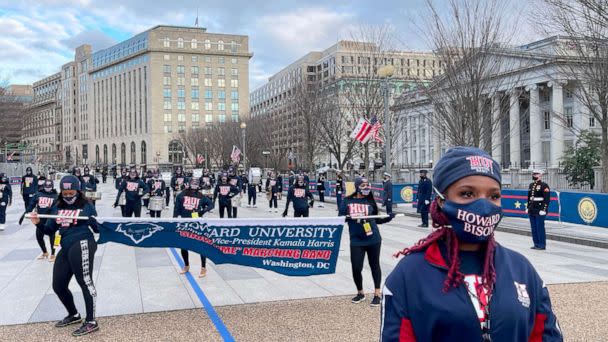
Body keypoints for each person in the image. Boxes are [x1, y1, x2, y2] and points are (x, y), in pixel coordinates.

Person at [380, 147, 562, 341]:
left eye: (494, 196)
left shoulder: (522, 269)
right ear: (442, 200)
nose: (484, 206)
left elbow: (546, 335)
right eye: (467, 194)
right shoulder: (408, 275)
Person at [29, 175, 100, 336]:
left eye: (71, 192)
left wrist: (97, 222)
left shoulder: (87, 205)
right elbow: (49, 230)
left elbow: (97, 229)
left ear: (78, 190)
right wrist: (38, 223)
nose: (68, 195)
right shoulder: (57, 205)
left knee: (85, 282)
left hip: (82, 242)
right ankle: (74, 314)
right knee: (58, 285)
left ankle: (91, 321)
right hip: (65, 245)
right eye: (65, 192)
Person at [339, 177, 394, 306]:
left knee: (374, 265)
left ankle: (377, 294)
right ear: (357, 187)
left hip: (373, 238)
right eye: (363, 185)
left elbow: (377, 219)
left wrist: (388, 218)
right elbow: (341, 219)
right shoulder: (347, 201)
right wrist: (348, 217)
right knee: (356, 267)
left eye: (368, 185)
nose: (366, 188)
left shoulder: (370, 201)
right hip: (356, 239)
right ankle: (360, 293)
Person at [174, 178, 214, 277]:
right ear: (189, 184)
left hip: (196, 223)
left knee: (201, 246)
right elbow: (176, 208)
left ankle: (203, 268)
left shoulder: (200, 196)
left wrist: (202, 211)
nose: (194, 185)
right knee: (183, 246)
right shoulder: (182, 194)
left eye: (196, 184)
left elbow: (211, 204)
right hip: (184, 222)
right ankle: (186, 265)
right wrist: (174, 220)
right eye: (193, 183)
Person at [27, 179, 58, 261]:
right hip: (41, 218)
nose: (48, 188)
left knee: (52, 236)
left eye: (50, 186)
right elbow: (32, 204)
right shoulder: (38, 194)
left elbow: (59, 207)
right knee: (39, 236)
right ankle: (45, 252)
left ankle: (53, 254)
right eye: (46, 186)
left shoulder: (56, 196)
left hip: (51, 219)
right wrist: (27, 212)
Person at [527, 170, 551, 250]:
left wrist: (543, 209)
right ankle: (536, 244)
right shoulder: (531, 185)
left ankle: (542, 244)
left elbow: (546, 199)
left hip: (540, 209)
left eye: (536, 174)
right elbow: (529, 197)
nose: (534, 175)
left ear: (540, 175)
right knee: (533, 227)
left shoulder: (544, 185)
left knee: (539, 227)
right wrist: (528, 207)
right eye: (533, 174)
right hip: (532, 209)